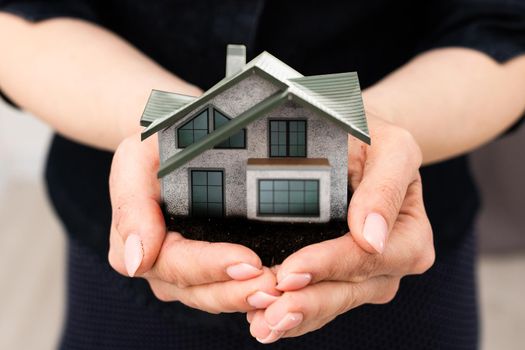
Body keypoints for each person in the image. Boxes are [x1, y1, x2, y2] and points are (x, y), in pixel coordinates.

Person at [0, 1, 524, 349]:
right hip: (125, 257)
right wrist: (171, 129)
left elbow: (505, 24)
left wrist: (373, 134)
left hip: (401, 259)